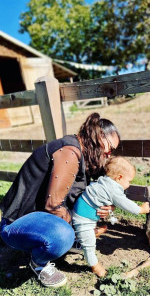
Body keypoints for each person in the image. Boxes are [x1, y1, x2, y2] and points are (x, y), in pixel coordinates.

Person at [0, 112, 120, 288]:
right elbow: (53, 205)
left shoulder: (84, 156)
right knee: (62, 235)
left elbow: (102, 190)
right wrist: (81, 228)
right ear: (97, 137)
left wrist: (109, 205)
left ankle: (68, 240)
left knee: (84, 214)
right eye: (109, 148)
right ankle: (39, 264)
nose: (109, 155)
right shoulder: (69, 153)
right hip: (15, 224)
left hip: (37, 220)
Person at [72, 156, 150, 277]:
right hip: (83, 219)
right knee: (89, 245)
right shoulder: (113, 189)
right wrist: (141, 209)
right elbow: (126, 204)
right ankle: (95, 267)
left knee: (87, 232)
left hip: (84, 214)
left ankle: (94, 231)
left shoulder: (104, 182)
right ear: (119, 177)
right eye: (129, 181)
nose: (129, 185)